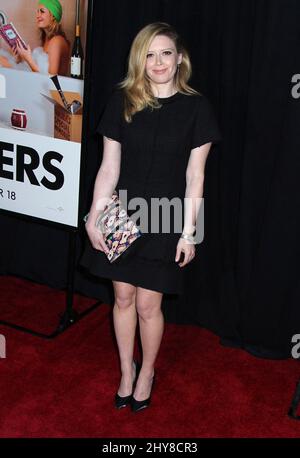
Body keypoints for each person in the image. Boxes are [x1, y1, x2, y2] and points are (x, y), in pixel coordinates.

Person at [81, 22, 221, 412]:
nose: (157, 62)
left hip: (165, 217)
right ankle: (127, 370)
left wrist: (189, 233)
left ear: (180, 59)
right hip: (121, 213)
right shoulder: (123, 101)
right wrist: (94, 217)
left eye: (165, 53)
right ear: (138, 60)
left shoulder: (197, 109)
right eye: (149, 54)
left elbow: (196, 176)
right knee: (122, 297)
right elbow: (108, 168)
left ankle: (148, 372)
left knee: (148, 305)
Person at [0, 0, 70, 75]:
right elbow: (38, 67)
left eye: (42, 12)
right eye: (37, 11)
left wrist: (28, 59)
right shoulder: (48, 38)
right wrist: (20, 58)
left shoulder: (57, 41)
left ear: (53, 16)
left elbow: (52, 79)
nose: (37, 15)